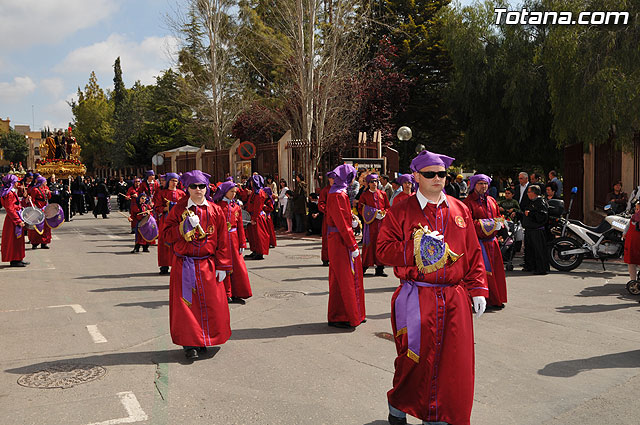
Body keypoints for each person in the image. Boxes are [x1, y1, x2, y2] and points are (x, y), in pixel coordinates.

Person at [376, 150, 488, 425]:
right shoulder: (400, 210)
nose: (438, 179)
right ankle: (399, 403)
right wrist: (415, 251)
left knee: (453, 363)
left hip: (454, 297)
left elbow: (472, 253)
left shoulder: (460, 209)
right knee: (414, 361)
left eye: (442, 174)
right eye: (430, 174)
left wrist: (478, 289)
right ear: (416, 176)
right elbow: (382, 251)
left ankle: (439, 415)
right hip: (417, 297)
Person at [163, 170, 232, 360]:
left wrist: (223, 265)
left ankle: (205, 339)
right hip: (184, 264)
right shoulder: (178, 209)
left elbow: (223, 241)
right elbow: (166, 235)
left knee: (210, 304)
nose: (198, 190)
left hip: (208, 264)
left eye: (201, 186)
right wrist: (182, 227)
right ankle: (189, 343)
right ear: (187, 188)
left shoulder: (215, 210)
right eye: (193, 186)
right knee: (187, 306)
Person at [325, 164, 366, 329]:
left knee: (340, 277)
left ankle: (346, 313)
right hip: (340, 240)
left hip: (338, 238)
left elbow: (342, 218)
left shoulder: (337, 193)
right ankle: (343, 315)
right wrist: (352, 244)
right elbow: (342, 224)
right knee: (345, 277)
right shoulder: (338, 195)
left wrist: (352, 219)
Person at [464, 174, 508, 309]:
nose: (483, 186)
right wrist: (491, 224)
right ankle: (483, 300)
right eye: (480, 183)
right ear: (473, 185)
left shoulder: (491, 200)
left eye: (485, 183)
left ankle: (496, 299)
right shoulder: (467, 202)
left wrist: (501, 223)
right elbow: (468, 224)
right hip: (478, 244)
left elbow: (498, 217)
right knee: (480, 273)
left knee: (496, 272)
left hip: (492, 242)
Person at [213, 181, 252, 304]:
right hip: (222, 240)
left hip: (234, 239)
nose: (234, 194)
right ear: (225, 192)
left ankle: (238, 292)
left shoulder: (236, 207)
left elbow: (240, 225)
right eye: (231, 192)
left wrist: (242, 243)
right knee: (223, 265)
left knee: (237, 266)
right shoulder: (217, 206)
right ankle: (225, 293)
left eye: (235, 192)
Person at [357, 173, 390, 276]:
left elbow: (388, 207)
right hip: (370, 225)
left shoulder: (382, 194)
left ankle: (380, 268)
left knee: (381, 245)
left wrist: (384, 213)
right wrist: (373, 213)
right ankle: (364, 266)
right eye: (372, 182)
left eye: (376, 181)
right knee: (369, 245)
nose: (374, 183)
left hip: (381, 224)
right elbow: (360, 208)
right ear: (368, 183)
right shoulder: (364, 195)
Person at [154, 173, 185, 275]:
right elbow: (157, 207)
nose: (174, 183)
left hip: (178, 221)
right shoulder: (162, 193)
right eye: (172, 180)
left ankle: (176, 265)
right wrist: (167, 208)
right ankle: (164, 265)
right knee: (164, 242)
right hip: (166, 220)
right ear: (168, 182)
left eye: (176, 181)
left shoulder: (182, 194)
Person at [1, 174, 29, 267]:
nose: (18, 183)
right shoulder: (9, 194)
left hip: (15, 217)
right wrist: (17, 220)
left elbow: (16, 205)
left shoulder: (11, 192)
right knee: (14, 240)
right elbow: (10, 208)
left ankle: (19, 258)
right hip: (13, 219)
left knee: (18, 239)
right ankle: (14, 260)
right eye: (17, 181)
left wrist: (25, 198)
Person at [521, 185, 549, 275]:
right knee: (529, 249)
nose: (527, 194)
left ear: (534, 193)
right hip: (529, 229)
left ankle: (541, 268)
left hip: (537, 230)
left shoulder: (540, 202)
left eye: (529, 192)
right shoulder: (531, 202)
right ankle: (530, 266)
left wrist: (531, 214)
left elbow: (542, 216)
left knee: (538, 250)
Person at [245, 174, 270, 260]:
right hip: (252, 216)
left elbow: (257, 207)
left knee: (258, 236)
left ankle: (259, 252)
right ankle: (255, 250)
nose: (251, 183)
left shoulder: (259, 193)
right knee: (252, 236)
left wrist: (254, 218)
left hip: (257, 217)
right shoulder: (254, 192)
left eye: (252, 181)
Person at [27, 175, 52, 249]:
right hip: (38, 209)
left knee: (46, 227)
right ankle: (35, 243)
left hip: (45, 209)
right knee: (36, 227)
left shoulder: (46, 188)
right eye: (45, 182)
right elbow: (33, 200)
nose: (46, 183)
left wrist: (48, 193)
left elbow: (49, 197)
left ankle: (44, 242)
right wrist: (34, 209)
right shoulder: (35, 190)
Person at [318, 174, 334, 266]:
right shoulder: (325, 190)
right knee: (326, 237)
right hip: (328, 218)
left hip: (337, 218)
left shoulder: (339, 190)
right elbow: (321, 204)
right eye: (332, 178)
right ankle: (326, 258)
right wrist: (328, 211)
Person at [624, 202, 640, 285]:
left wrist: (624, 234)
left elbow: (626, 228)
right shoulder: (633, 218)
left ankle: (633, 281)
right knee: (632, 262)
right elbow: (627, 227)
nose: (637, 211)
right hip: (633, 243)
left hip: (633, 243)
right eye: (636, 209)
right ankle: (633, 281)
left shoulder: (634, 217)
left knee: (632, 262)